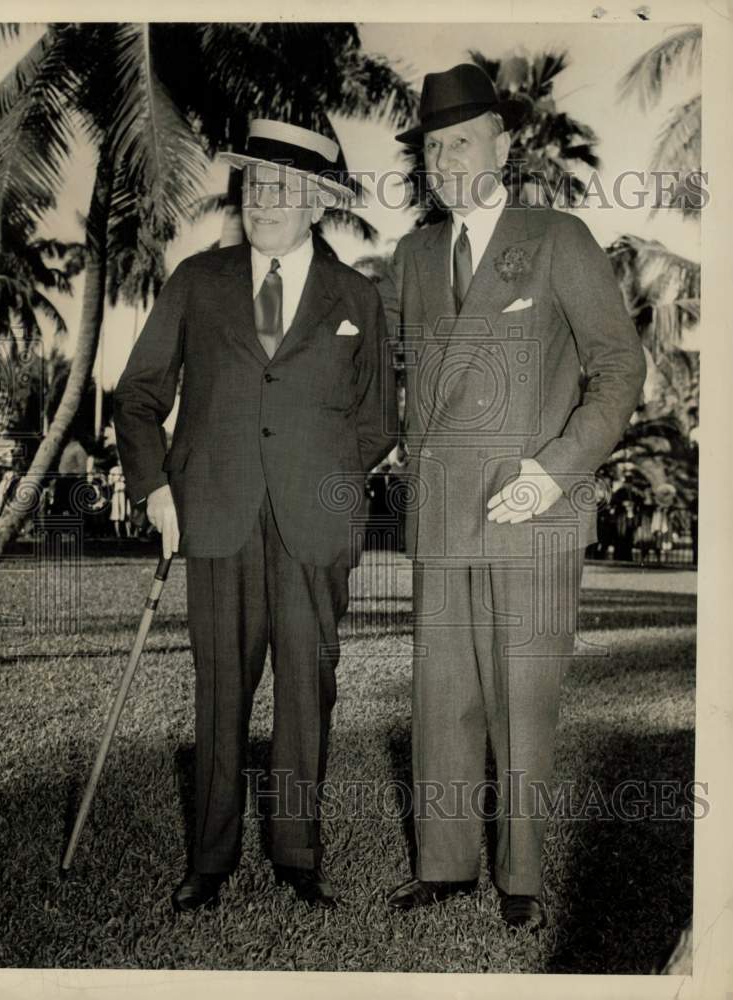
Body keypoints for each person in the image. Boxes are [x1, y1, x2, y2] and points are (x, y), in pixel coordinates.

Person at [381, 64, 646, 928]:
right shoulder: (413, 255)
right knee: (441, 700)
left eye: (461, 141)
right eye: (430, 148)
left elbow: (617, 368)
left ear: (502, 143)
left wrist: (554, 471)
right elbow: (382, 376)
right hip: (442, 515)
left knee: (521, 705)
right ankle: (445, 866)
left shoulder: (557, 237)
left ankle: (521, 880)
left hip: (532, 511)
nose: (445, 159)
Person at [114, 118, 395, 912]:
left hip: (315, 527)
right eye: (255, 185)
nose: (266, 200)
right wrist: (156, 489)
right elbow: (138, 398)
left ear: (317, 205)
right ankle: (209, 858)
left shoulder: (356, 297)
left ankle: (298, 854)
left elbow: (376, 420)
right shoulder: (197, 281)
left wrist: (331, 481)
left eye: (285, 189)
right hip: (216, 517)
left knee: (308, 688)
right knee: (219, 691)